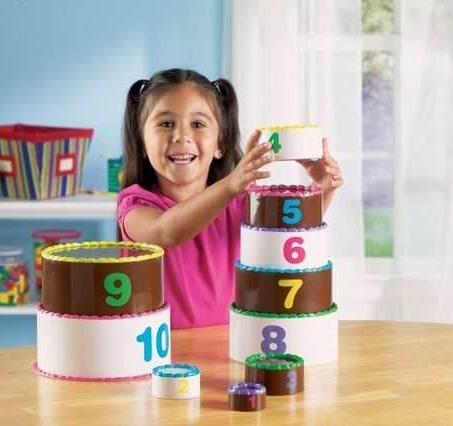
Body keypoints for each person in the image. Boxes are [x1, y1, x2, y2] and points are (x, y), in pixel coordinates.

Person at [117, 68, 343, 329]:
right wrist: (231, 184)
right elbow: (167, 232)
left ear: (220, 145)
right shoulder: (135, 205)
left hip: (232, 341)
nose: (181, 136)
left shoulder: (240, 201)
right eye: (166, 124)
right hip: (162, 348)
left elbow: (290, 233)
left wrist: (322, 189)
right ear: (142, 144)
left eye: (198, 124)